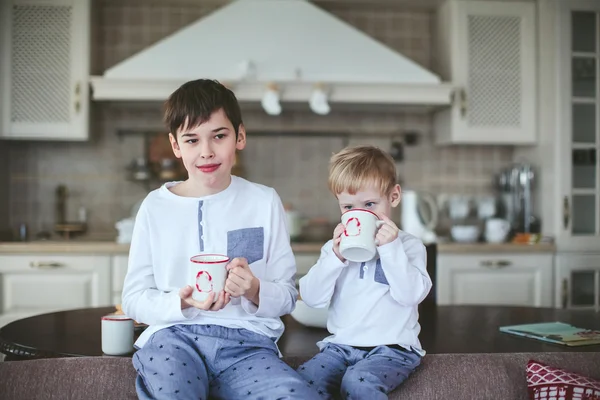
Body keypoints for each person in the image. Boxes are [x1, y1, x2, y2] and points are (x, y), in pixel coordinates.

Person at [122, 79, 319, 399]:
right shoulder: (155, 207)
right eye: (191, 140)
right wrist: (181, 302)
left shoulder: (264, 201)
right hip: (173, 338)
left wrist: (255, 289)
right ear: (175, 146)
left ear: (239, 136)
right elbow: (134, 299)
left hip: (247, 343)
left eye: (219, 136)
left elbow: (287, 296)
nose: (206, 152)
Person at [297, 145, 432, 399]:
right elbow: (311, 297)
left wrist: (391, 249)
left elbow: (410, 295)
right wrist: (335, 258)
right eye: (348, 207)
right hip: (340, 347)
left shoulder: (409, 246)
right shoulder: (333, 249)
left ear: (393, 196)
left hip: (393, 349)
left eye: (370, 204)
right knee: (305, 379)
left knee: (358, 382)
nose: (359, 214)